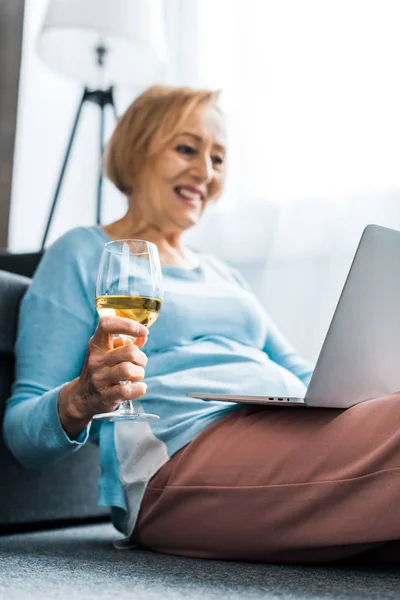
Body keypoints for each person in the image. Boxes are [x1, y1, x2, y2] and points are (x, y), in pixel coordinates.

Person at [4, 85, 400, 564]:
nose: (205, 172)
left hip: (286, 427)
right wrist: (82, 397)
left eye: (217, 159)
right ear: (136, 148)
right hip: (181, 453)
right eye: (187, 148)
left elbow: (300, 372)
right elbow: (22, 431)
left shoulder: (222, 273)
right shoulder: (83, 253)